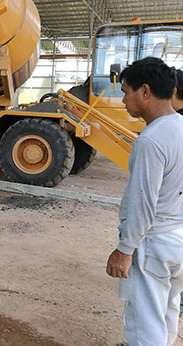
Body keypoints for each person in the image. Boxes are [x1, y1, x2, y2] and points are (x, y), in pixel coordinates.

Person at [105, 57, 183, 346]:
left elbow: (143, 203)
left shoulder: (150, 140)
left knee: (144, 320)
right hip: (178, 237)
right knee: (167, 309)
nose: (124, 99)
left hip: (155, 243)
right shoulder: (180, 127)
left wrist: (124, 250)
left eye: (126, 91)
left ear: (145, 91)